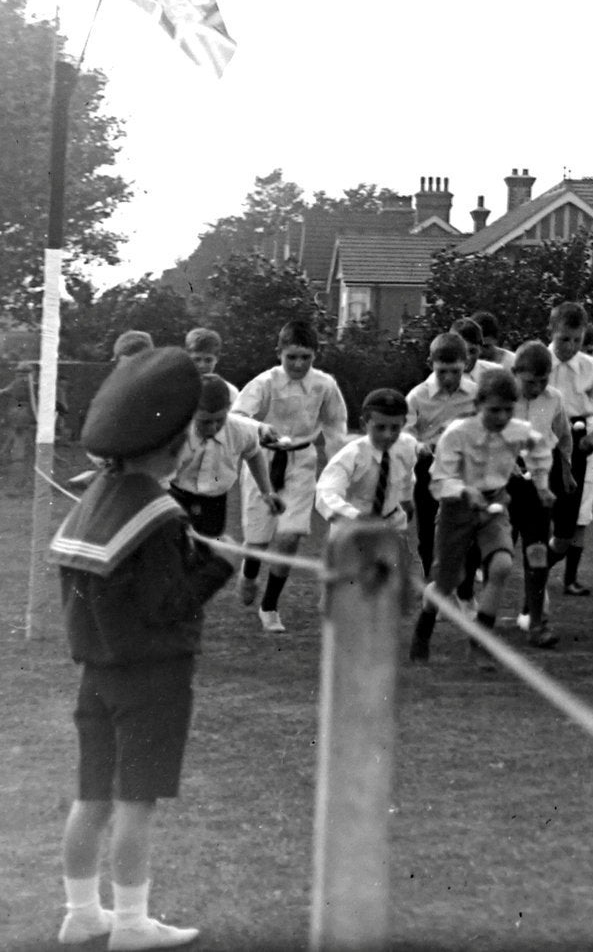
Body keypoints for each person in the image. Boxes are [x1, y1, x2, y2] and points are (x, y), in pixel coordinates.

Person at [51, 347, 231, 950]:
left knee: (92, 798)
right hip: (151, 677)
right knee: (135, 803)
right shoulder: (159, 513)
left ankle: (82, 913)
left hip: (95, 674)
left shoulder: (97, 497)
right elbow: (167, 605)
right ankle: (129, 923)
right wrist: (217, 566)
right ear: (174, 446)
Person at [409, 368, 539, 670]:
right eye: (494, 410)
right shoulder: (457, 434)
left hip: (494, 506)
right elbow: (439, 479)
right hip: (457, 509)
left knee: (502, 565)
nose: (502, 416)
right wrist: (466, 491)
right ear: (479, 405)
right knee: (445, 585)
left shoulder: (513, 432)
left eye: (509, 409)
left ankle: (480, 643)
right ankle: (424, 628)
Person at [231, 320, 346, 632]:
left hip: (301, 461)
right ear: (279, 353)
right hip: (263, 460)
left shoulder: (324, 385)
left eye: (305, 357)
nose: (298, 364)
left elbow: (336, 424)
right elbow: (237, 416)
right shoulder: (264, 383)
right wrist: (259, 428)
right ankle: (250, 570)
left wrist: (340, 466)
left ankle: (269, 606)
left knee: (290, 535)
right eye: (291, 357)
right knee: (258, 537)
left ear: (315, 355)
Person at [544, 302, 593, 596]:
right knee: (533, 518)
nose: (570, 346)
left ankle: (561, 575)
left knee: (572, 524)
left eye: (577, 340)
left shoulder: (592, 368)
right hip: (540, 442)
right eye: (564, 339)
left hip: (577, 443)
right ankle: (532, 577)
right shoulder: (538, 362)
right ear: (552, 332)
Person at [508, 342, 574, 647]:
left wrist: (566, 470)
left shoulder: (555, 399)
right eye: (529, 381)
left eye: (543, 380)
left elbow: (562, 436)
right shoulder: (502, 398)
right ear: (515, 374)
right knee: (496, 554)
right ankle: (475, 607)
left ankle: (537, 623)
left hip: (538, 482)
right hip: (502, 483)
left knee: (536, 549)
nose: (536, 387)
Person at [403, 334, 478, 581]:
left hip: (465, 466)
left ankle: (464, 588)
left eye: (455, 371)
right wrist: (420, 445)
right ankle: (432, 584)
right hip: (429, 466)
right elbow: (406, 434)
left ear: (466, 364)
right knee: (428, 530)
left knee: (468, 528)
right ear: (430, 363)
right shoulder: (417, 396)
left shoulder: (475, 395)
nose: (448, 378)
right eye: (442, 371)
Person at [167, 377, 273, 540]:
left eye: (219, 420)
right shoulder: (175, 432)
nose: (213, 427)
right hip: (176, 496)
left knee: (207, 552)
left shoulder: (240, 429)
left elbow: (254, 454)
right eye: (205, 422)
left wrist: (266, 492)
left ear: (228, 409)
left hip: (215, 502)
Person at [313, 388, 415, 532]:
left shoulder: (407, 446)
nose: (387, 435)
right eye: (380, 427)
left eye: (395, 428)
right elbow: (326, 493)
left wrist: (406, 499)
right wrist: (356, 518)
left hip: (391, 525)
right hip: (352, 528)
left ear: (403, 424)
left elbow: (407, 476)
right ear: (364, 424)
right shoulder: (352, 455)